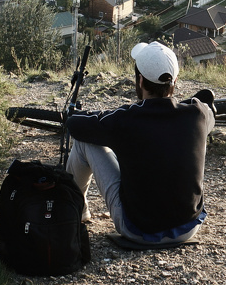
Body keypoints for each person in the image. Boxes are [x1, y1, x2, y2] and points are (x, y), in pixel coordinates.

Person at [64, 41, 216, 245]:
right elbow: (210, 111)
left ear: (140, 80)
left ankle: (77, 212)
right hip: (188, 227)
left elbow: (75, 125)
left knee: (84, 143)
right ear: (175, 81)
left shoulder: (126, 120)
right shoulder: (197, 114)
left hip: (137, 230)